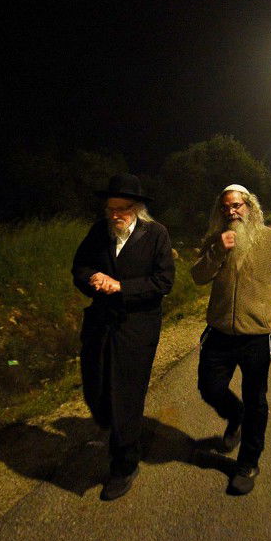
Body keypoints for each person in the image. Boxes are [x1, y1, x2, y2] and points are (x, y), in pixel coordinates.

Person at [71, 174, 175, 501]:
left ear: (137, 209)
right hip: (100, 324)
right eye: (111, 208)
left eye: (122, 209)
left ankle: (124, 464)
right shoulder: (99, 232)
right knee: (96, 391)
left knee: (126, 398)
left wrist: (123, 288)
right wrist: (93, 278)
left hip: (137, 328)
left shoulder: (156, 234)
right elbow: (80, 267)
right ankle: (114, 428)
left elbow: (163, 282)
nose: (115, 215)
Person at [191, 185, 271, 494]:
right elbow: (197, 276)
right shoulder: (216, 240)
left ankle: (248, 462)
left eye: (237, 206)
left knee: (257, 402)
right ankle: (234, 416)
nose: (231, 212)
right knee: (209, 388)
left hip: (257, 337)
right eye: (225, 207)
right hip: (219, 333)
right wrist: (217, 251)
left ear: (249, 207)